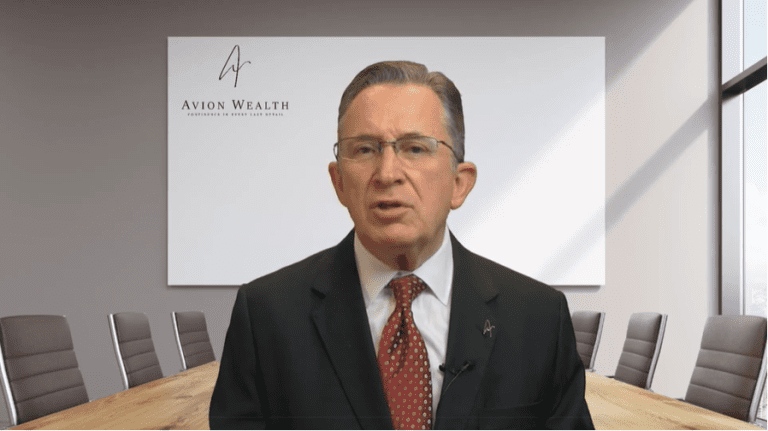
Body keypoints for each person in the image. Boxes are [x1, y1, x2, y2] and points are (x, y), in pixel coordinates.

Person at [209, 60, 594, 430]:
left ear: (460, 182)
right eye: (364, 149)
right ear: (339, 181)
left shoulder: (540, 318)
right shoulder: (265, 316)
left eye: (415, 148)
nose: (387, 173)